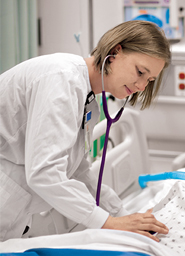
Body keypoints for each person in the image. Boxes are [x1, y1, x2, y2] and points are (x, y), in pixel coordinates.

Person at [0, 20, 170, 242]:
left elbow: (78, 171)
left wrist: (121, 214)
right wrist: (109, 223)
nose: (141, 86)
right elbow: (44, 172)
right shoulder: (62, 80)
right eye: (140, 72)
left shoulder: (87, 100)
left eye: (149, 80)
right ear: (115, 51)